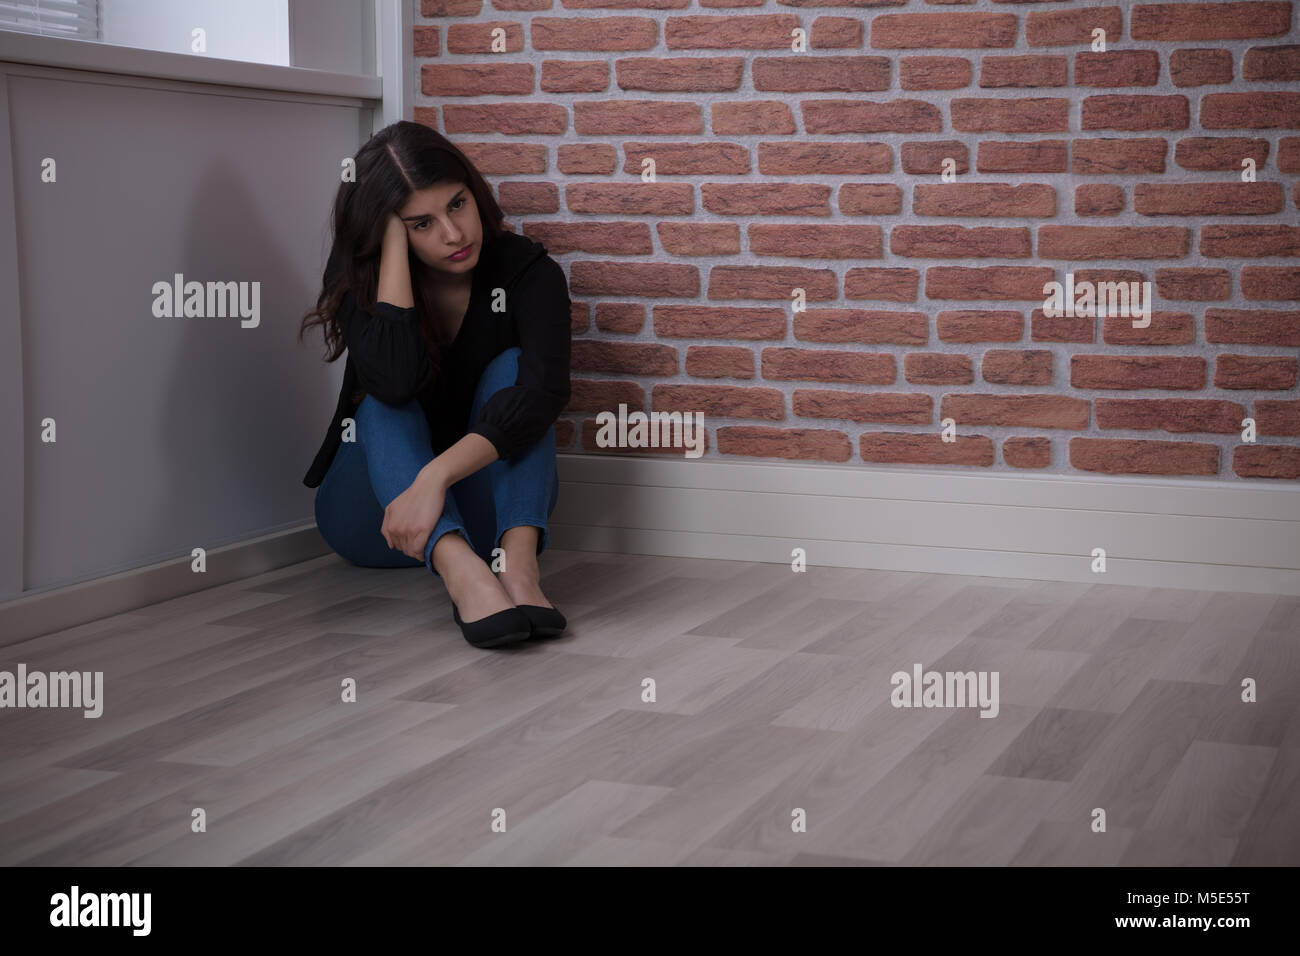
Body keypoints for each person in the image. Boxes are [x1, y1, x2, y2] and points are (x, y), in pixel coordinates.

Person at [298, 121, 571, 649]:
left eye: (457, 205)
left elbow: (543, 395)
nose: (453, 234)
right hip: (379, 518)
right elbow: (396, 383)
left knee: (516, 369)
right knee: (380, 403)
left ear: (474, 191)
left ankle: (518, 572)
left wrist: (434, 479)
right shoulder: (360, 278)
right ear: (386, 230)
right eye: (420, 224)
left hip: (494, 512)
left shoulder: (526, 272)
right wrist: (391, 254)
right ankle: (463, 575)